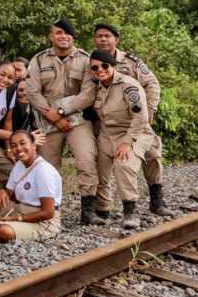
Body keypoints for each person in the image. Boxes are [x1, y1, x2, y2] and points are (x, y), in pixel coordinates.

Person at [55, 49, 156, 229]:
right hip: (107, 135)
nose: (100, 70)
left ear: (113, 65)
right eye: (95, 68)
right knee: (100, 171)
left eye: (104, 65)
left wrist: (127, 142)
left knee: (123, 166)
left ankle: (130, 211)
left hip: (133, 133)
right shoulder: (97, 87)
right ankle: (103, 210)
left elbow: (140, 118)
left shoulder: (128, 86)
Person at [25, 18, 101, 223]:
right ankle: (52, 211)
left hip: (77, 120)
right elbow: (32, 91)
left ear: (73, 37)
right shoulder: (39, 60)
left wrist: (61, 111)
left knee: (86, 160)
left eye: (67, 33)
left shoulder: (85, 59)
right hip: (47, 120)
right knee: (48, 167)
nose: (63, 37)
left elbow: (88, 93)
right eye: (58, 32)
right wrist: (51, 115)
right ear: (51, 36)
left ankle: (88, 211)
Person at [94, 23, 167, 215]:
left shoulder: (131, 61)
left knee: (153, 157)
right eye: (99, 36)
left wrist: (149, 110)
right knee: (109, 167)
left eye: (107, 36)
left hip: (137, 121)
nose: (103, 39)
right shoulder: (93, 63)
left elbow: (152, 84)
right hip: (109, 124)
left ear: (116, 39)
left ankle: (157, 202)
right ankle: (106, 208)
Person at [0, 130, 62, 243]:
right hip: (21, 208)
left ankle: (5, 227)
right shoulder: (19, 164)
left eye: (23, 143)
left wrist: (17, 219)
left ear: (34, 145)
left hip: (43, 220)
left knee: (2, 231)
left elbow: (48, 212)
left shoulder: (43, 171)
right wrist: (2, 191)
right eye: (14, 146)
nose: (18, 148)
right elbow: (8, 191)